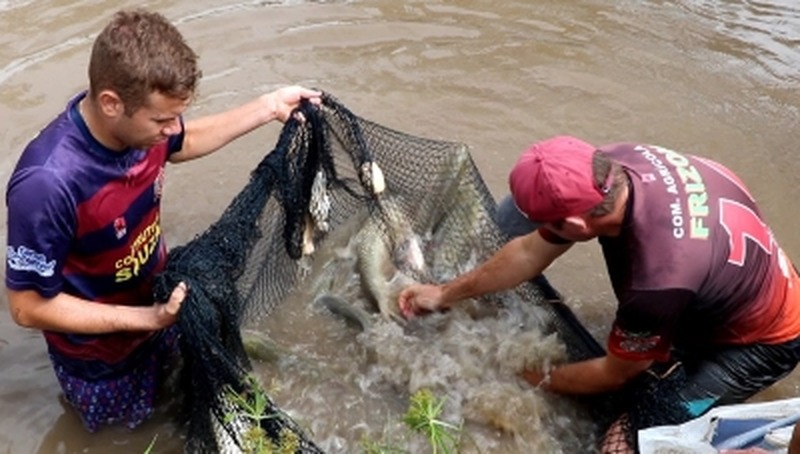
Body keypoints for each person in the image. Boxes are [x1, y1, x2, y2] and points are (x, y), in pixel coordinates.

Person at [4, 8, 321, 432]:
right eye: (161, 120)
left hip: (158, 303)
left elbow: (182, 141)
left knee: (184, 392)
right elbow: (26, 307)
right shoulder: (47, 184)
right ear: (111, 103)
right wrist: (145, 319)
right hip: (101, 362)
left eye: (176, 116)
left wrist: (267, 107)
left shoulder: (143, 129)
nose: (172, 129)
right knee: (128, 434)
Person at [398, 135, 800, 453]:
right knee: (514, 222)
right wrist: (444, 293)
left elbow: (615, 372)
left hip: (764, 340)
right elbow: (526, 251)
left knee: (623, 443)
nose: (540, 229)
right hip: (732, 273)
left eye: (548, 224)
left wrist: (526, 377)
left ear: (576, 221)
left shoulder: (656, 279)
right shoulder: (614, 164)